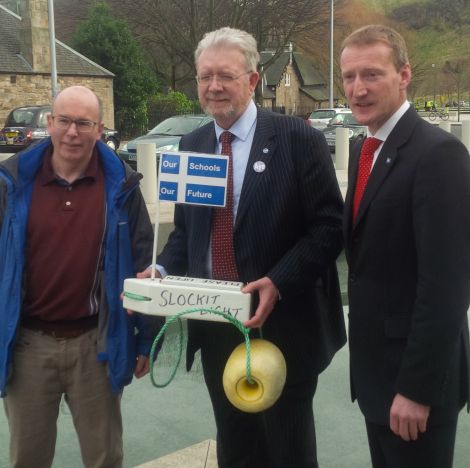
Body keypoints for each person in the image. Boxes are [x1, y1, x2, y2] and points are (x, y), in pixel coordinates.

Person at [146, 27, 345, 467]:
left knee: (287, 451)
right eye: (204, 77)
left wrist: (279, 280)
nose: (214, 87)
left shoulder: (299, 141)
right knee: (235, 449)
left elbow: (330, 228)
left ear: (254, 80)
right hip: (217, 326)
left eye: (226, 76)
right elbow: (186, 235)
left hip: (283, 326)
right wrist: (159, 272)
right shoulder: (193, 145)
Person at [0, 85, 161, 468]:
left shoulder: (121, 186)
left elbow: (144, 263)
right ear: (51, 124)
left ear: (100, 129)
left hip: (97, 344)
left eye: (84, 123)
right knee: (28, 458)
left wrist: (146, 340)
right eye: (66, 121)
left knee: (105, 456)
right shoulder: (12, 184)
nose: (73, 132)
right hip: (28, 347)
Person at [340, 25, 470, 468]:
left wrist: (416, 389)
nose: (358, 89)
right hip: (377, 378)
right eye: (349, 77)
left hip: (414, 390)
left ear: (404, 75)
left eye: (372, 75)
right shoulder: (366, 148)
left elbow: (447, 288)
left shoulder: (439, 155)